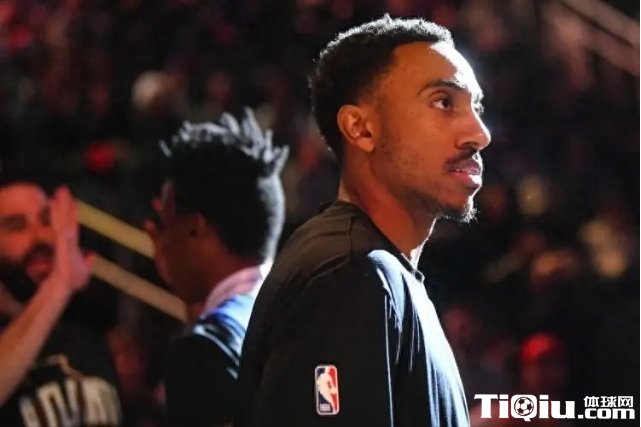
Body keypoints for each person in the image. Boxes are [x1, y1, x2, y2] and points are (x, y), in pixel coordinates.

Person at [236, 15, 491, 427]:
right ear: (360, 128)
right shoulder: (351, 274)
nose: (479, 134)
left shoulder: (374, 270)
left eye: (475, 107)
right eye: (443, 102)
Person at [145, 109, 288, 426]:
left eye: (165, 226)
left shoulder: (203, 350)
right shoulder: (301, 311)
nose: (161, 244)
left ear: (195, 227)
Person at [0, 170, 122, 426]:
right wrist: (60, 282)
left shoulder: (84, 334)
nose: (41, 236)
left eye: (47, 220)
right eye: (16, 226)